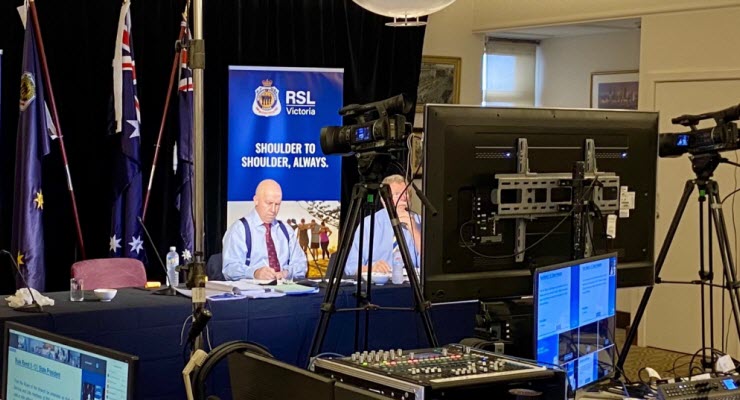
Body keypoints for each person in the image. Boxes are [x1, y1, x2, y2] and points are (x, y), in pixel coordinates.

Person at [221, 179, 307, 280]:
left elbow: (301, 264)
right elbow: (229, 268)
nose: (273, 210)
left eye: (277, 204)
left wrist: (286, 273)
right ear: (256, 200)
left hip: (284, 287)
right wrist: (255, 273)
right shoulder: (239, 230)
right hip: (252, 288)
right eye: (269, 203)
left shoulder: (286, 231)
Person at [343, 174, 422, 276]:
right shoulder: (369, 224)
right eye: (397, 194)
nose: (403, 198)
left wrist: (414, 230)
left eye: (406, 193)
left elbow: (429, 265)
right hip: (378, 283)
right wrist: (371, 269)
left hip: (410, 282)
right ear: (384, 200)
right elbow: (350, 267)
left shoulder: (419, 221)